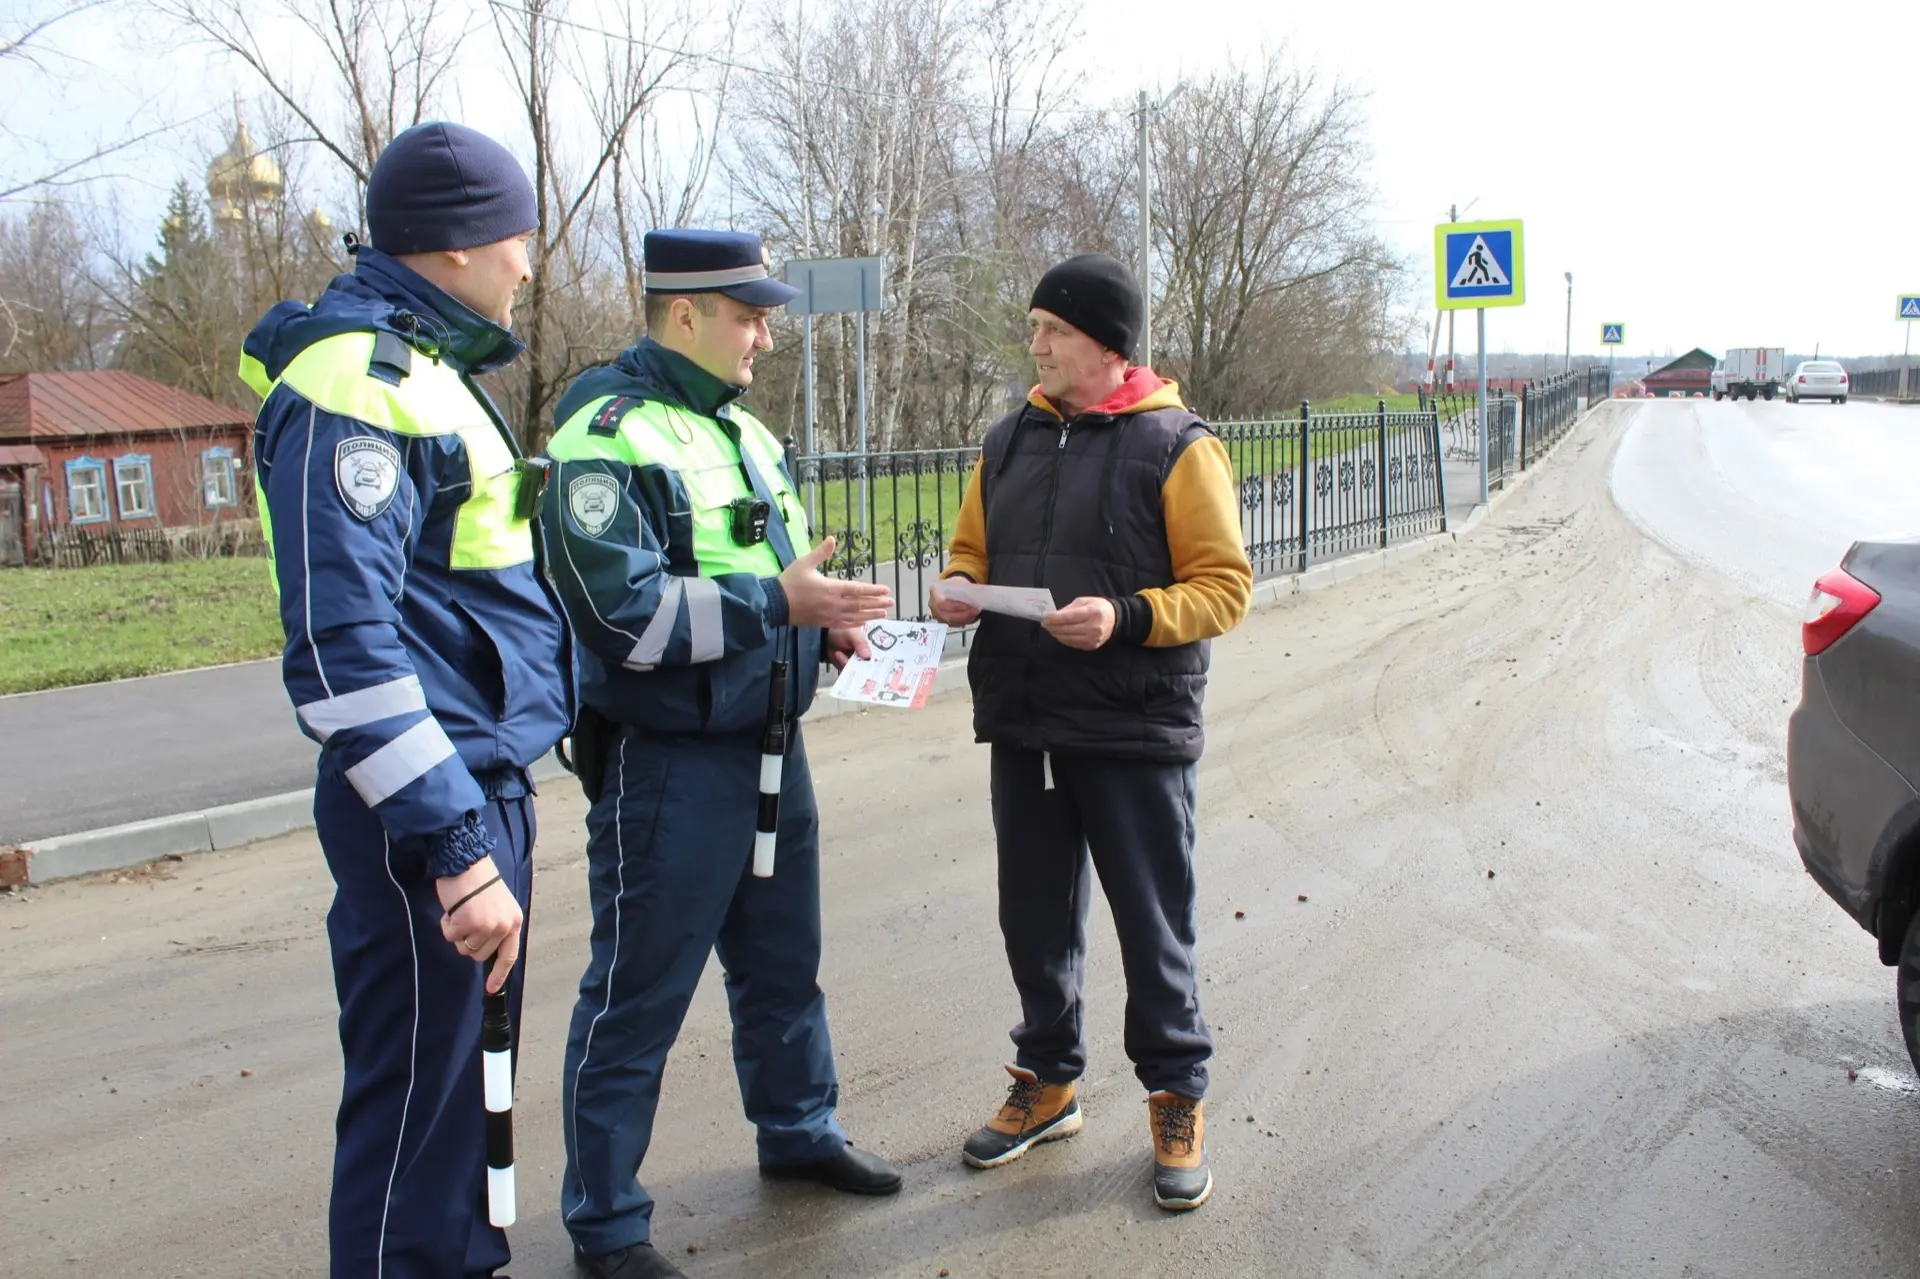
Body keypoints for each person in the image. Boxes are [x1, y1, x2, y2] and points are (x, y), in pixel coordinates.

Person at [239, 122, 572, 1277]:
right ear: (455, 243)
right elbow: (341, 647)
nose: (528, 265)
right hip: (432, 808)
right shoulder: (359, 379)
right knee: (417, 1127)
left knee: (464, 1104)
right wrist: (454, 847)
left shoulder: (425, 369)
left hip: (470, 789)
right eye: (517, 237)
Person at [542, 229, 903, 1279]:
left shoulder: (741, 433)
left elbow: (766, 569)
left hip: (772, 749)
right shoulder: (603, 435)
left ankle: (798, 1131)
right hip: (670, 769)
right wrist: (777, 604)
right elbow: (624, 617)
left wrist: (817, 628)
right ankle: (606, 1223)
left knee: (784, 968)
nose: (763, 336)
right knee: (635, 997)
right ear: (685, 314)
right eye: (748, 316)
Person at [928, 252, 1253, 1212]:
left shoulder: (1178, 444)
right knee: (1033, 919)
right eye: (1034, 329)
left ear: (1107, 345)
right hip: (1026, 723)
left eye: (1052, 330)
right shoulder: (1009, 438)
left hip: (1134, 727)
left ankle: (1175, 1095)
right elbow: (968, 550)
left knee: (1155, 927)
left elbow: (1223, 586)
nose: (1035, 346)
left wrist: (1128, 616)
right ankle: (1050, 1080)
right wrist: (955, 591)